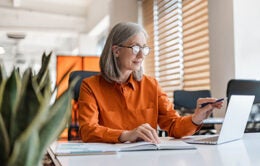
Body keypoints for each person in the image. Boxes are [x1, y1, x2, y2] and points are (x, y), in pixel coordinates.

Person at [78, 22, 223, 143]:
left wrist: (196, 118)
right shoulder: (90, 86)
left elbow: (173, 125)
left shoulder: (151, 85)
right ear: (116, 51)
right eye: (135, 48)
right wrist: (126, 135)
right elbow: (87, 130)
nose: (141, 55)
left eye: (144, 48)